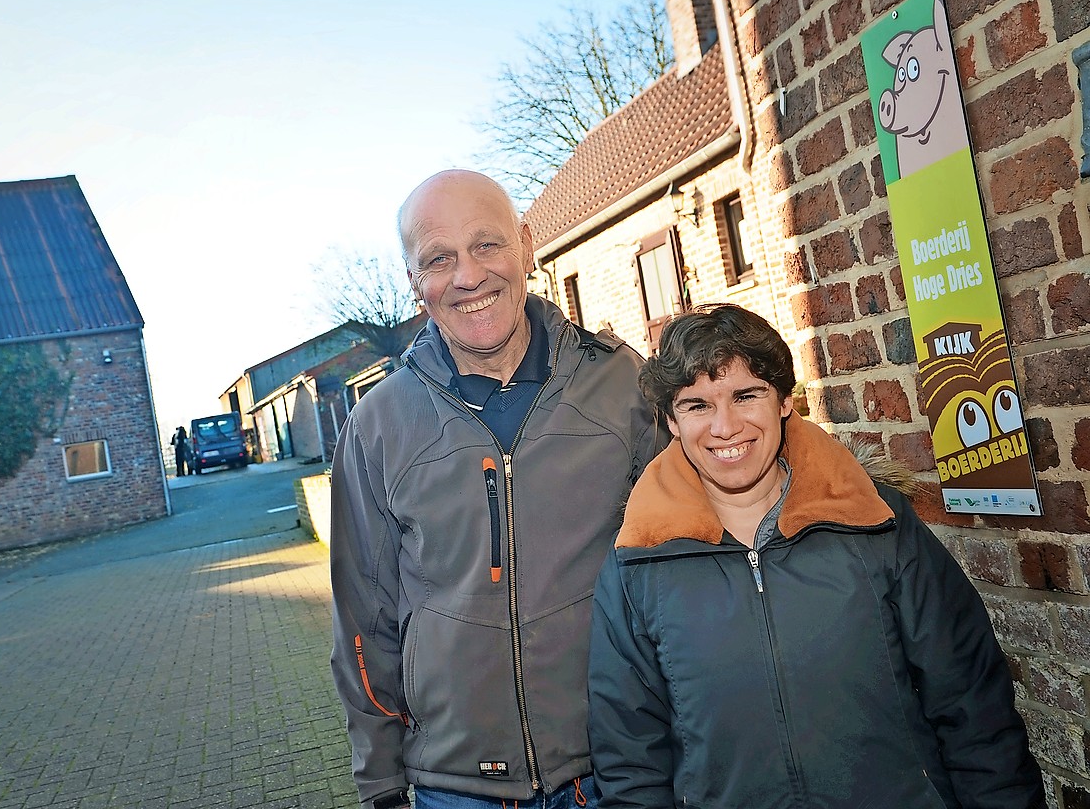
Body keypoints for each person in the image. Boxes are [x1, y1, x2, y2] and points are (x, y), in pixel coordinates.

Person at [587, 304, 1045, 808]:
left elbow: (974, 709)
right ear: (672, 421)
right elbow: (630, 763)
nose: (725, 426)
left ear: (784, 400)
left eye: (747, 395)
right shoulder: (638, 566)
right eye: (698, 405)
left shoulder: (875, 525)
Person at [330, 169, 663, 809]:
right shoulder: (379, 424)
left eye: (487, 245)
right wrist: (381, 781)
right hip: (452, 788)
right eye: (439, 258)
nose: (468, 276)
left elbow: (682, 562)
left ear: (527, 246)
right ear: (413, 282)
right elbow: (362, 619)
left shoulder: (621, 387)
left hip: (613, 772)